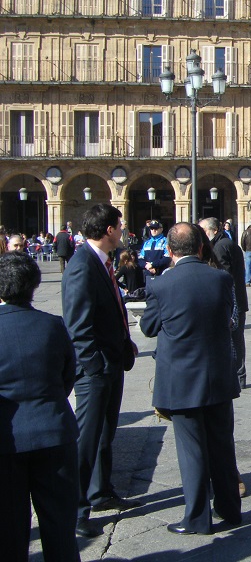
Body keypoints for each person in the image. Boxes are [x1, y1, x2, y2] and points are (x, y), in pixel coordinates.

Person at [140, 223, 242, 535]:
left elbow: (148, 327)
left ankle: (197, 518)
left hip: (182, 380)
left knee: (191, 449)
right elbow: (227, 319)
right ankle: (229, 509)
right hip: (217, 376)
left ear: (169, 251)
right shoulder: (221, 278)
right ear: (201, 247)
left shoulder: (161, 285)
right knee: (222, 446)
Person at [61, 204, 141, 539]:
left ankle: (100, 490)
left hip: (111, 361)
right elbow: (78, 325)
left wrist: (124, 342)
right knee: (87, 438)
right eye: (119, 225)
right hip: (95, 369)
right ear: (107, 229)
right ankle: (77, 510)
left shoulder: (101, 261)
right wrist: (94, 366)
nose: (122, 230)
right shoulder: (82, 265)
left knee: (105, 432)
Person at [0, 252, 81, 561]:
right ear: (33, 286)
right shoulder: (52, 325)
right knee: (60, 525)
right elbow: (67, 375)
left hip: (7, 443)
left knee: (9, 528)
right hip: (54, 432)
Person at [199, 217, 248, 389]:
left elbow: (223, 276)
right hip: (237, 299)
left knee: (234, 340)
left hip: (232, 301)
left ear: (210, 231)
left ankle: (237, 376)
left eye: (202, 231)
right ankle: (238, 375)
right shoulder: (226, 242)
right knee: (236, 339)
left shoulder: (220, 246)